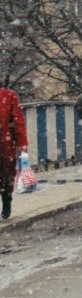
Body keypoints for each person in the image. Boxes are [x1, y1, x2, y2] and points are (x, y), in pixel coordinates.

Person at [1, 87, 28, 219]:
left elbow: (18, 121)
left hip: (5, 145)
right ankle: (6, 201)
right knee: (6, 174)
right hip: (6, 144)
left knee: (6, 174)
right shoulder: (8, 96)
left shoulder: (9, 96)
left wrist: (21, 141)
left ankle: (6, 202)